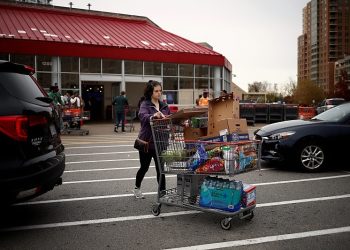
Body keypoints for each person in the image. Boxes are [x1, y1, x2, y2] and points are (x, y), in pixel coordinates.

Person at [133, 80, 170, 198]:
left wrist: (180, 121)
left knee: (161, 169)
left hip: (160, 142)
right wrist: (153, 115)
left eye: (160, 91)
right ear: (150, 92)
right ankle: (137, 188)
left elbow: (169, 118)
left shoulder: (164, 105)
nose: (159, 93)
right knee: (144, 167)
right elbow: (142, 116)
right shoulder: (145, 104)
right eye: (156, 91)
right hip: (147, 142)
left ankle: (163, 194)